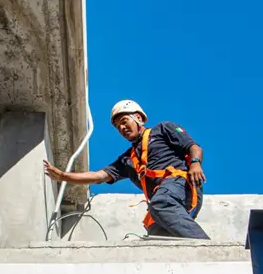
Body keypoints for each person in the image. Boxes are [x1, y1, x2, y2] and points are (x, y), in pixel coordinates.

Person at [43, 99, 210, 239]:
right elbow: (98, 176)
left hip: (181, 185)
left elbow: (193, 147)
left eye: (124, 121)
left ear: (138, 118)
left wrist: (195, 163)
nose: (121, 128)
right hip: (165, 201)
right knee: (156, 231)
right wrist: (64, 176)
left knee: (160, 203)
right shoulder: (127, 160)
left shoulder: (162, 129)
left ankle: (207, 248)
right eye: (117, 126)